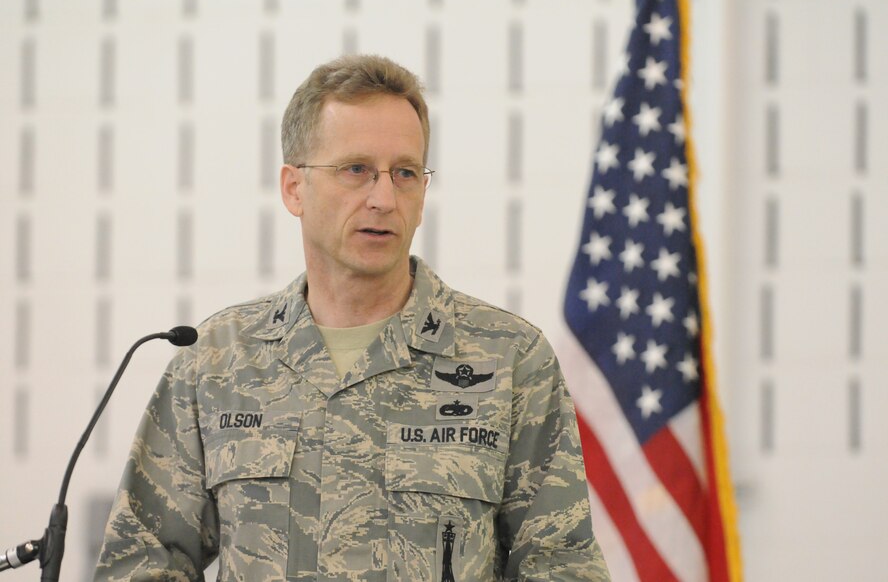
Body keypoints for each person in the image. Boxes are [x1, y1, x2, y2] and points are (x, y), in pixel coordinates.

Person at [94, 54, 610, 582]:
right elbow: (144, 559)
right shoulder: (217, 361)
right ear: (294, 187)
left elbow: (561, 563)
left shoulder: (508, 358)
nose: (384, 198)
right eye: (356, 170)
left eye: (405, 173)